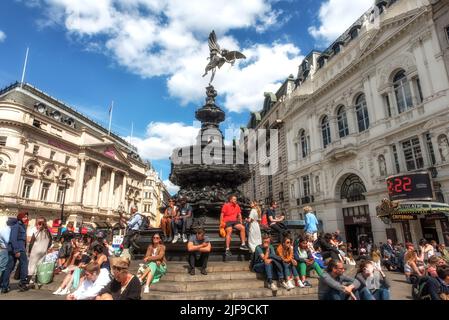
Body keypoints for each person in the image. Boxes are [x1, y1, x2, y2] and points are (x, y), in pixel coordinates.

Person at [1, 212, 29, 293]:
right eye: (24, 217)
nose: (26, 218)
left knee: (9, 267)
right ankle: (22, 283)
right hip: (18, 249)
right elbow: (13, 239)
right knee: (24, 265)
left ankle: (4, 287)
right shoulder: (17, 226)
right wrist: (16, 250)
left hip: (14, 248)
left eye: (26, 217)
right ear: (20, 217)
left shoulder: (20, 226)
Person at [27, 217, 52, 286]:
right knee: (39, 265)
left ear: (39, 225)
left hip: (35, 251)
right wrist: (46, 248)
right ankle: (38, 281)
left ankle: (28, 281)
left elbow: (31, 243)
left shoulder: (36, 233)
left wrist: (29, 251)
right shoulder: (48, 233)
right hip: (43, 251)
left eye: (38, 224)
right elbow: (50, 242)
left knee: (31, 265)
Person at [0, 218, 11, 283]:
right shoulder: (6, 230)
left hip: (3, 249)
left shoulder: (3, 229)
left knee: (3, 267)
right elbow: (7, 240)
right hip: (5, 250)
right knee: (3, 267)